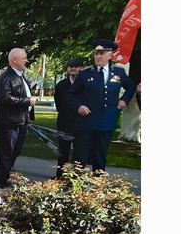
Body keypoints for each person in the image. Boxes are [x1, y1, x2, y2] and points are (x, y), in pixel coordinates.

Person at [65, 40, 136, 172]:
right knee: (80, 158)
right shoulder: (85, 74)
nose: (98, 57)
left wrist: (124, 100)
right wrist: (79, 106)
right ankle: (75, 187)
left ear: (110, 55)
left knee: (100, 157)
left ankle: (97, 187)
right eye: (96, 54)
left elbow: (132, 87)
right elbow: (70, 95)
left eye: (102, 54)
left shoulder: (118, 73)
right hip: (86, 122)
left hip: (106, 121)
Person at [0, 48, 36, 188]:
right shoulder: (6, 78)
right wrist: (27, 101)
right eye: (23, 58)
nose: (26, 61)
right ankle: (4, 180)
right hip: (9, 121)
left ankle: (0, 176)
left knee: (16, 150)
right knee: (7, 151)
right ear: (14, 60)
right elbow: (5, 98)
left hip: (21, 119)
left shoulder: (20, 76)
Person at [53, 58, 83, 177]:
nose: (72, 68)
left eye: (76, 66)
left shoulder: (85, 84)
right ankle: (60, 175)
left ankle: (77, 176)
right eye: (70, 66)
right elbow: (58, 103)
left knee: (79, 150)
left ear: (81, 68)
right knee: (63, 151)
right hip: (64, 122)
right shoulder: (61, 85)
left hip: (81, 122)